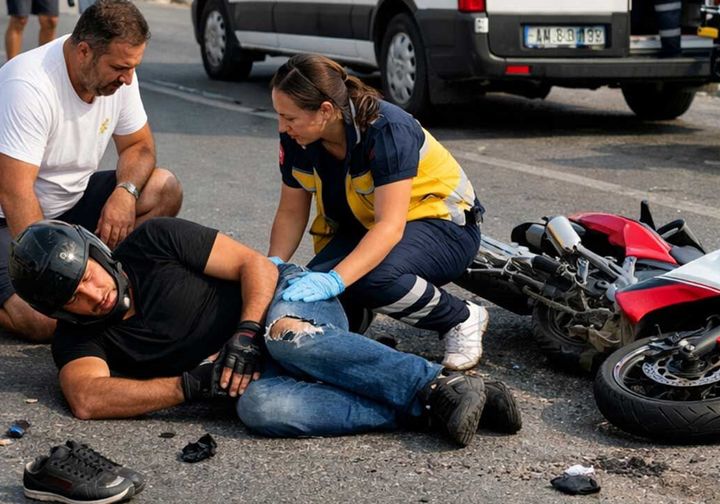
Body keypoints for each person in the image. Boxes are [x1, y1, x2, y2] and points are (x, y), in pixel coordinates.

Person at [8, 218, 521, 448]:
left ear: (98, 254)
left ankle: (433, 384)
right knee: (259, 409)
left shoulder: (154, 240)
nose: (93, 294)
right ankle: (430, 404)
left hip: (280, 305)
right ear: (58, 310)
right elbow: (89, 398)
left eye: (88, 276)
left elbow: (255, 264)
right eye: (73, 296)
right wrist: (193, 385)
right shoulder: (77, 340)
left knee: (283, 337)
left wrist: (247, 332)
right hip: (241, 377)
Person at [269, 53, 486, 371]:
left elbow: (389, 226)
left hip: (445, 228)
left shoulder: (387, 129)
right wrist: (273, 268)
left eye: (289, 118)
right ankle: (359, 315)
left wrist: (338, 279)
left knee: (367, 278)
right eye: (279, 115)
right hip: (369, 229)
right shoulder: (298, 137)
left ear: (326, 110)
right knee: (302, 296)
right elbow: (290, 211)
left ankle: (460, 317)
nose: (282, 126)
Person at [0, 0, 183, 343]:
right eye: (119, 68)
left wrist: (125, 193)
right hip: (11, 222)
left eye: (133, 67)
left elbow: (139, 146)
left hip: (68, 206)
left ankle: (112, 278)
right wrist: (57, 274)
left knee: (164, 187)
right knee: (43, 321)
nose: (127, 78)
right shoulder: (28, 85)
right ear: (84, 51)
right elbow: (15, 193)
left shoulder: (121, 76)